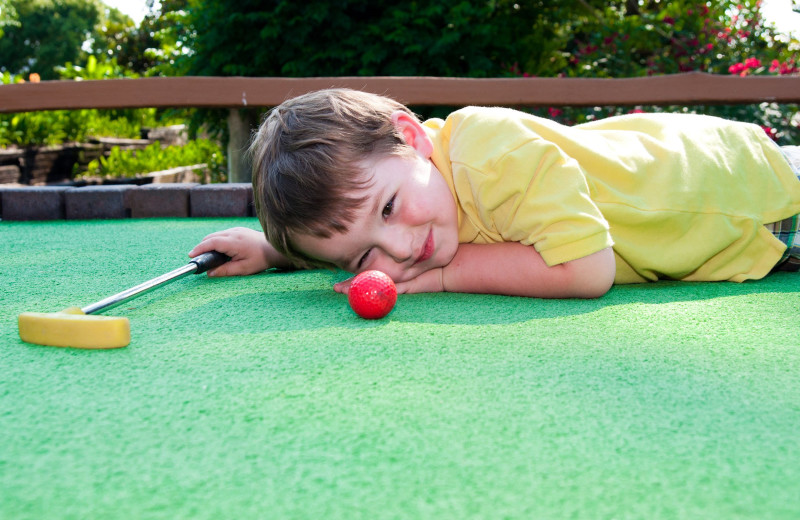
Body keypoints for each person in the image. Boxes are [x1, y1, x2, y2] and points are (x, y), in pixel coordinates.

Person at [189, 88, 800, 299]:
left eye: (389, 209)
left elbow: (587, 270)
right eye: (359, 258)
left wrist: (446, 279)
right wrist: (278, 252)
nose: (400, 250)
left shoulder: (490, 148)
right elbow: (362, 231)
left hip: (760, 199)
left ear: (411, 136)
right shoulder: (412, 191)